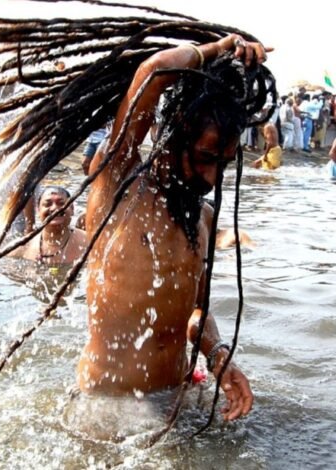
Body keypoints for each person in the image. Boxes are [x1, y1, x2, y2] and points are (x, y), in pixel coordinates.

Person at [73, 33, 271, 423]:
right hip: (109, 407)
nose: (212, 177)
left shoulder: (203, 217)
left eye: (224, 162)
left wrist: (218, 360)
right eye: (204, 157)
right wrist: (220, 47)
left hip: (177, 399)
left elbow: (196, 313)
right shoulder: (119, 185)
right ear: (173, 133)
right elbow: (155, 72)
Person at [11, 186, 87, 265]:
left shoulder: (90, 242)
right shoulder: (22, 247)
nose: (54, 208)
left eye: (61, 203)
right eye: (48, 204)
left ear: (72, 209)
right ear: (38, 210)